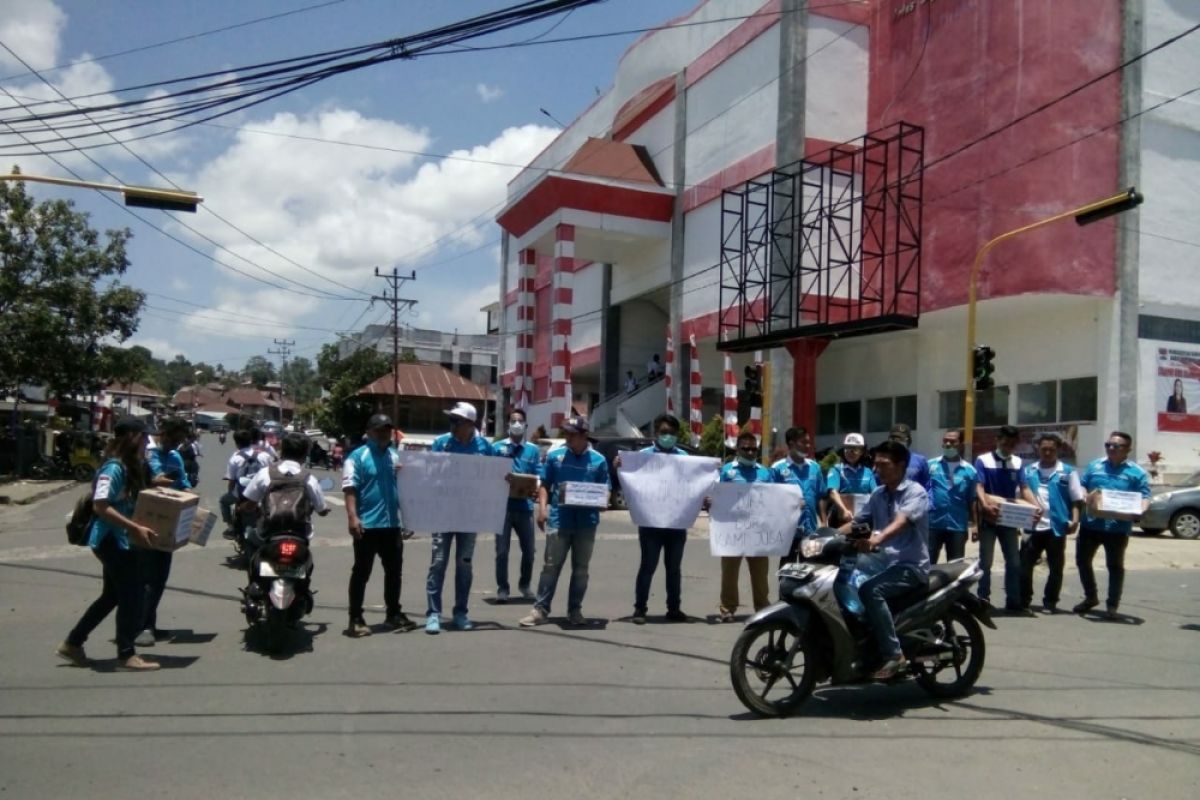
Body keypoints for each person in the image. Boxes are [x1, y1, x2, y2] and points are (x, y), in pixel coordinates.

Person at [57, 417, 160, 671]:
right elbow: (101, 506)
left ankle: (72, 643)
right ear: (132, 437)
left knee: (112, 595)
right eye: (144, 437)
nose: (147, 442)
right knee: (132, 596)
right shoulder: (114, 468)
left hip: (121, 541)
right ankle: (126, 654)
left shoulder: (129, 466)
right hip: (111, 541)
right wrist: (134, 527)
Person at [843, 439, 931, 680]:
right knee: (842, 581)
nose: (876, 469)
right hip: (882, 562)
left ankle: (895, 655)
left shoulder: (915, 492)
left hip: (909, 566)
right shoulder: (878, 494)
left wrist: (876, 540)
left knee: (871, 591)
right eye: (875, 464)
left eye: (883, 464)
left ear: (901, 465)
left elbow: (901, 522)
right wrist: (824, 538)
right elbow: (857, 523)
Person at [520, 415, 610, 627]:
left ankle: (575, 610)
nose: (567, 437)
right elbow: (545, 484)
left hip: (586, 523)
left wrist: (603, 501)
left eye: (572, 433)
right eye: (566, 433)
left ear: (583, 435)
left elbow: (605, 490)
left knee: (581, 569)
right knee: (551, 566)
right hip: (559, 520)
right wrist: (542, 510)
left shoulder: (599, 460)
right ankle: (540, 610)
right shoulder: (555, 456)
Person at [342, 414, 414, 637]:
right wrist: (353, 517)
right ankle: (356, 618)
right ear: (369, 431)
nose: (384, 433)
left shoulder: (395, 457)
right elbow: (350, 489)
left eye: (387, 429)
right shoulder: (357, 457)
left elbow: (405, 490)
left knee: (394, 572)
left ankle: (393, 613)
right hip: (367, 526)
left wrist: (408, 519)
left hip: (391, 525)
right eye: (379, 429)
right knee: (361, 572)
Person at [425, 401, 494, 634]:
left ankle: (461, 612)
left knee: (464, 565)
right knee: (438, 563)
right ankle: (433, 614)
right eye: (451, 420)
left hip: (469, 515)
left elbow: (495, 476)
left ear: (469, 423)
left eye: (456, 420)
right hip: (443, 513)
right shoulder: (441, 443)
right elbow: (428, 473)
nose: (452, 424)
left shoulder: (485, 446)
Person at [1074, 431, 1151, 619]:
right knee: (1082, 562)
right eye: (1108, 445)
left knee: (1115, 566)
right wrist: (1085, 495)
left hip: (1117, 528)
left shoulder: (1136, 472)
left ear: (1128, 449)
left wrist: (1140, 510)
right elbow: (1082, 485)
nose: (1111, 449)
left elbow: (1145, 496)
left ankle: (1112, 605)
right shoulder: (1095, 466)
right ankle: (1090, 597)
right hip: (1091, 525)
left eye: (1116, 446)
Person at [623, 413, 690, 624]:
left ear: (677, 435)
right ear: (655, 434)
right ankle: (640, 609)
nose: (667, 436)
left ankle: (674, 608)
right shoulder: (643, 456)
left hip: (676, 524)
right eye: (663, 432)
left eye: (671, 433)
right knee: (647, 567)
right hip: (650, 523)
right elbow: (629, 476)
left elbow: (696, 484)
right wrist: (620, 464)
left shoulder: (686, 459)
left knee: (674, 569)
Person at [136, 416, 192, 648]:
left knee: (160, 578)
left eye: (181, 440)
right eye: (175, 438)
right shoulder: (150, 454)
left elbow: (185, 483)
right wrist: (165, 481)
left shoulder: (175, 456)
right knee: (147, 578)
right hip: (148, 519)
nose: (177, 443)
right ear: (165, 433)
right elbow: (153, 480)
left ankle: (151, 623)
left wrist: (189, 493)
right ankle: (142, 626)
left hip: (170, 520)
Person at [974, 424, 1035, 613]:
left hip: (1009, 518)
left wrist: (1036, 507)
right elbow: (979, 486)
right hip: (989, 518)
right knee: (986, 562)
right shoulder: (983, 460)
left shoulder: (1017, 463)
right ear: (998, 440)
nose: (1008, 446)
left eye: (1012, 444)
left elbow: (1024, 488)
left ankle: (1013, 602)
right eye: (1005, 442)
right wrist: (984, 505)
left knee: (1014, 561)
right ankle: (983, 600)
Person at [1020, 433, 1084, 614]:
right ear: (1038, 449)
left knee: (1056, 567)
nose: (1047, 452)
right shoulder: (1028, 471)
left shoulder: (1068, 472)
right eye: (1044, 449)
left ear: (1058, 450)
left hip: (1057, 526)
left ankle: (1050, 601)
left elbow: (1076, 499)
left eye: (1051, 449)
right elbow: (1020, 496)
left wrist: (1075, 520)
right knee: (1024, 566)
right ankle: (1024, 600)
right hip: (1031, 526)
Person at [717, 431, 774, 622]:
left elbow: (776, 497)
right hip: (732, 529)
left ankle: (762, 606)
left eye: (753, 449)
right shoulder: (726, 471)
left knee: (760, 573)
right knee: (729, 572)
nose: (750, 452)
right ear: (737, 449)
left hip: (757, 530)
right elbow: (716, 496)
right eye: (746, 448)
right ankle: (727, 608)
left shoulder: (764, 472)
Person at [242, 431, 330, 539]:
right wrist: (325, 510)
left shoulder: (265, 473)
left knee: (250, 538)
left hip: (267, 531)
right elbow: (321, 511)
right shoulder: (309, 479)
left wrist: (243, 509)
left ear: (282, 451)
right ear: (305, 454)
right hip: (301, 533)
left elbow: (250, 504)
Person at [492, 408, 540, 604]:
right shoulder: (497, 448)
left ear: (525, 425)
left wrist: (536, 488)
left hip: (525, 507)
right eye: (513, 421)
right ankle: (502, 588)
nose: (517, 424)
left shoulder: (533, 450)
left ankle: (525, 584)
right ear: (508, 425)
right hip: (502, 507)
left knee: (529, 550)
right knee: (502, 551)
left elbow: (538, 475)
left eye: (520, 421)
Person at [772, 427, 826, 565]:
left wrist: (824, 523)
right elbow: (770, 499)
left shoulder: (815, 467)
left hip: (811, 531)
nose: (808, 446)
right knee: (786, 572)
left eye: (809, 442)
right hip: (788, 532)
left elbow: (820, 496)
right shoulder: (777, 469)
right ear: (791, 444)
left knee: (809, 571)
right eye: (803, 442)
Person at [927, 429, 978, 563]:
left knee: (955, 567)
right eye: (945, 441)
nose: (948, 444)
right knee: (926, 566)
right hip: (932, 524)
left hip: (957, 525)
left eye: (953, 441)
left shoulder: (970, 470)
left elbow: (972, 500)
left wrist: (975, 525)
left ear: (961, 444)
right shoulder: (930, 465)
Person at [221, 428, 270, 541]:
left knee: (223, 501)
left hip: (242, 493)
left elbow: (232, 480)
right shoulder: (264, 456)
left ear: (237, 443)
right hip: (262, 492)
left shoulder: (235, 458)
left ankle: (231, 528)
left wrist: (230, 493)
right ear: (251, 441)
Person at [826, 432, 876, 528]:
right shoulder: (836, 469)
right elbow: (832, 492)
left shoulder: (868, 472)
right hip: (841, 519)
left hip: (863, 521)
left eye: (855, 449)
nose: (850, 452)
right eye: (847, 448)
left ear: (862, 451)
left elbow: (875, 493)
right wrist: (843, 510)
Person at [889, 423, 930, 495]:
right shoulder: (884, 461)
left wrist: (928, 504)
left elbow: (927, 486)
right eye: (894, 439)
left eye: (901, 439)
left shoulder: (920, 461)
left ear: (909, 441)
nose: (897, 442)